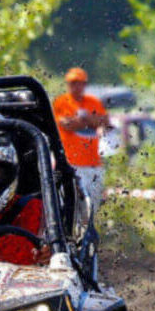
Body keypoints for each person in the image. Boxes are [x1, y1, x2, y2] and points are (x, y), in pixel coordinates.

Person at [53, 67, 110, 212]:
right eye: (73, 83)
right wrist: (89, 120)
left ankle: (89, 232)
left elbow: (105, 121)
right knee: (72, 204)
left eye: (79, 83)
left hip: (92, 163)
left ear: (85, 84)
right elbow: (66, 124)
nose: (76, 86)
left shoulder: (93, 102)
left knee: (93, 205)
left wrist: (85, 119)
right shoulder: (62, 102)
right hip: (71, 163)